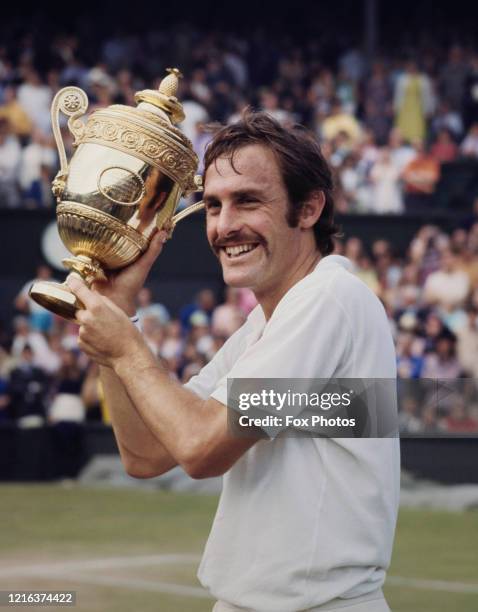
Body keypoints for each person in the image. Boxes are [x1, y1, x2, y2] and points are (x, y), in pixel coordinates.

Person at [67, 111, 399, 612]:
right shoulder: (266, 324)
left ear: (309, 209)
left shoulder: (330, 297)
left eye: (248, 201)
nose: (223, 226)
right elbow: (147, 455)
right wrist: (120, 313)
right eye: (214, 205)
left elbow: (201, 450)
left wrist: (125, 347)